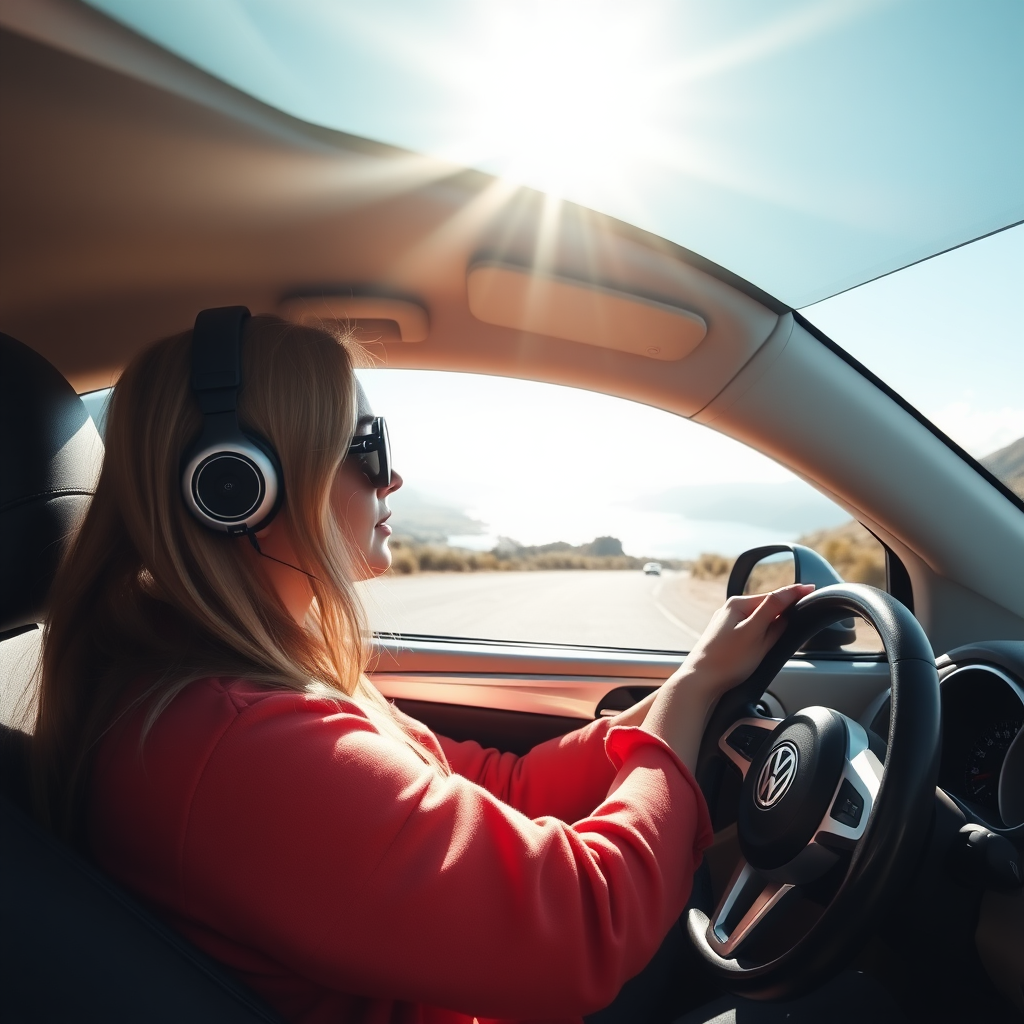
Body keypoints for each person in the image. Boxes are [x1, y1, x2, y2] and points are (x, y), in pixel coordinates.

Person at [31, 312, 814, 1024]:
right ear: (236, 485)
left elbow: (498, 788)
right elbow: (584, 926)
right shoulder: (234, 745)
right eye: (366, 447)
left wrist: (685, 687)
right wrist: (693, 703)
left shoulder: (266, 676)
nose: (392, 478)